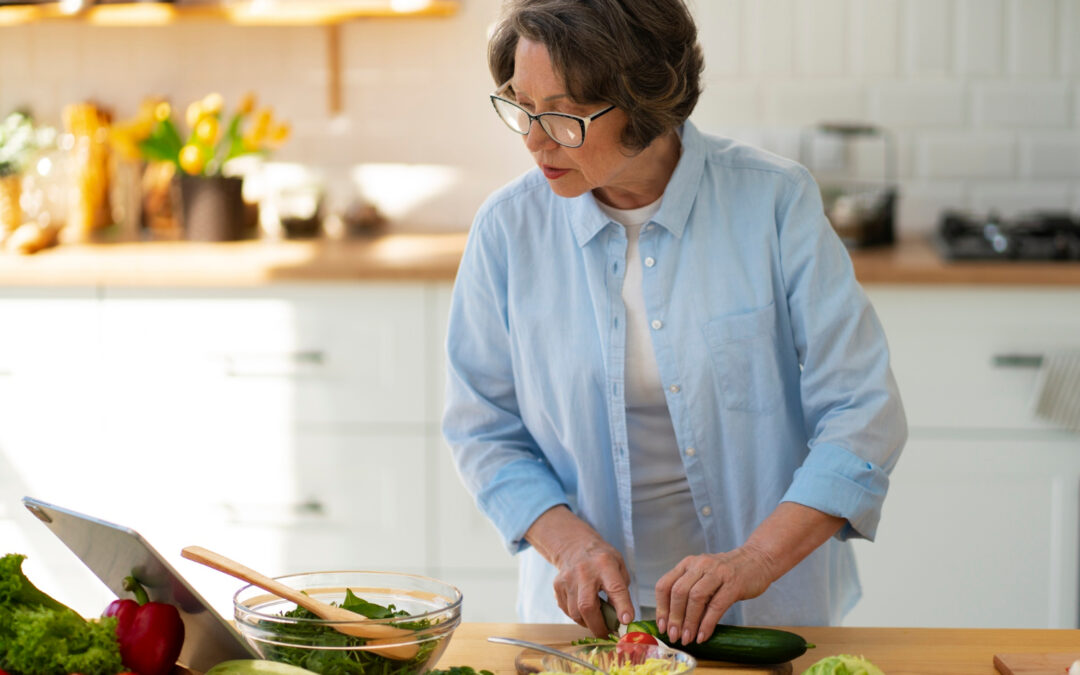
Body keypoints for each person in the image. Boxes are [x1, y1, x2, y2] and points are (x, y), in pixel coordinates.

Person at [442, 0, 907, 645]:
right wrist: (571, 546)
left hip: (763, 610)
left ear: (648, 101)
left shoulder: (773, 202)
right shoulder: (508, 228)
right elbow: (483, 427)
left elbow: (862, 412)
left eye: (564, 112)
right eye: (521, 104)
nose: (534, 139)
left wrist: (756, 561)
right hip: (589, 622)